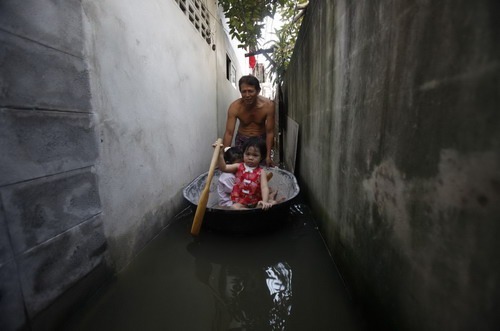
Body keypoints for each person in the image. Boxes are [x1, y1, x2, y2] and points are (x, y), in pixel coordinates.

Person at [223, 75, 275, 167]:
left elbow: (270, 132)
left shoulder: (268, 106)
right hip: (242, 140)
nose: (247, 95)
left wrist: (268, 156)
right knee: (239, 168)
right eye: (244, 91)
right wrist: (224, 156)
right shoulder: (235, 107)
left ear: (258, 91)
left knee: (260, 169)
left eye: (250, 91)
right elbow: (229, 133)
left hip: (260, 140)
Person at [216, 137, 273, 210]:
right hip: (239, 202)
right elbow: (223, 168)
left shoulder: (261, 172)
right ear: (243, 154)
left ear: (261, 157)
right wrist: (220, 155)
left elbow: (264, 187)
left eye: (255, 155)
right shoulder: (238, 166)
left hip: (255, 202)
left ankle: (269, 201)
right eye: (247, 154)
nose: (250, 158)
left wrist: (264, 201)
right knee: (234, 207)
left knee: (264, 207)